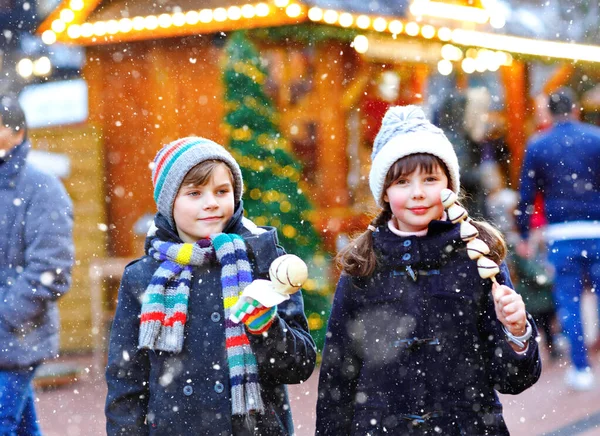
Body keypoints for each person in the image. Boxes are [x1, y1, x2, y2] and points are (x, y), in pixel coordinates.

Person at [316, 106, 541, 435]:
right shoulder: (363, 265)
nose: (418, 192)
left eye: (430, 179)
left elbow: (511, 378)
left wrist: (517, 333)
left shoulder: (479, 256)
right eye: (403, 181)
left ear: (449, 184)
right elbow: (339, 373)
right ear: (384, 192)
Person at [105, 137, 316, 435]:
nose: (212, 203)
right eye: (194, 193)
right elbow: (125, 380)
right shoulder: (144, 276)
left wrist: (267, 327)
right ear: (169, 203)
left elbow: (300, 365)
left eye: (222, 191)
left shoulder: (264, 260)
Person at [517, 87, 600, 391]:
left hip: (561, 234)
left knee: (569, 301)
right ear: (576, 109)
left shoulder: (539, 145)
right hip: (597, 228)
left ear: (549, 114)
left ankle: (581, 369)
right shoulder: (596, 138)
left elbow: (526, 196)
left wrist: (524, 234)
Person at [0, 94, 74, 434]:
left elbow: (51, 269)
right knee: (21, 425)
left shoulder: (42, 189)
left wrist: (5, 316)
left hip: (16, 338)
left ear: (17, 133)